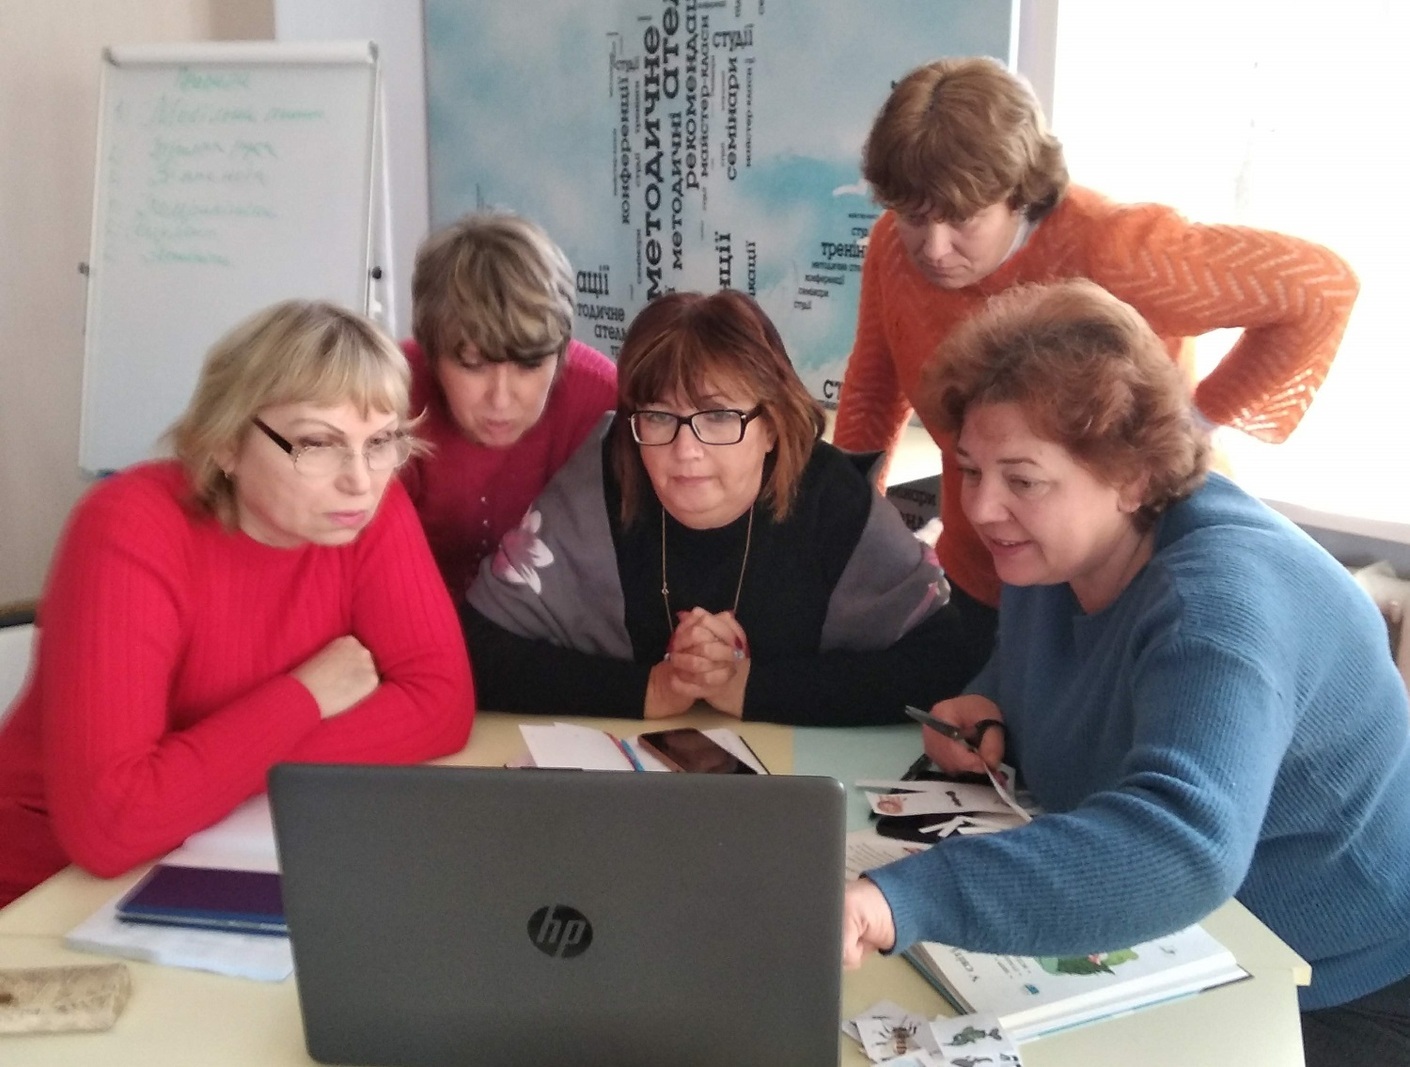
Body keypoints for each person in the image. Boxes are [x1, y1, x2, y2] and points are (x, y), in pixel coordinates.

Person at [840, 280, 1410, 1067]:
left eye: (1022, 479)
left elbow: (1182, 842)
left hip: (1342, 982)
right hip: (1196, 944)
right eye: (969, 469)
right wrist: (991, 699)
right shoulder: (1058, 549)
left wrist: (899, 899)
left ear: (1135, 476)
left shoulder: (1220, 605)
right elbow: (1061, 662)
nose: (982, 507)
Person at [833, 55, 1360, 659]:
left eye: (962, 220)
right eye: (913, 217)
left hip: (1121, 577)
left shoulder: (1112, 250)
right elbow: (873, 391)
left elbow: (1319, 290)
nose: (933, 247)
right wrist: (850, 521)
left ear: (1018, 194)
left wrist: (1196, 420)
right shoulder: (892, 250)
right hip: (985, 562)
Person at [0, 300, 475, 907]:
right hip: (46, 885)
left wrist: (200, 774)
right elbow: (110, 826)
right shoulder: (130, 527)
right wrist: (304, 696)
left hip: (221, 846)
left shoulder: (360, 513)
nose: (360, 479)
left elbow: (442, 705)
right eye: (317, 444)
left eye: (381, 441)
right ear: (225, 443)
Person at [464, 289, 984, 724]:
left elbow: (942, 657)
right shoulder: (605, 473)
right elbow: (476, 648)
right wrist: (650, 690)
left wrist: (747, 688)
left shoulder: (831, 499)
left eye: (717, 417)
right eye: (658, 416)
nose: (685, 450)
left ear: (772, 426)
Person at [401, 212, 618, 597]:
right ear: (431, 353)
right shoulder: (387, 400)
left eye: (529, 364)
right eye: (472, 365)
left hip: (553, 619)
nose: (501, 399)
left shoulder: (604, 400)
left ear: (561, 351)